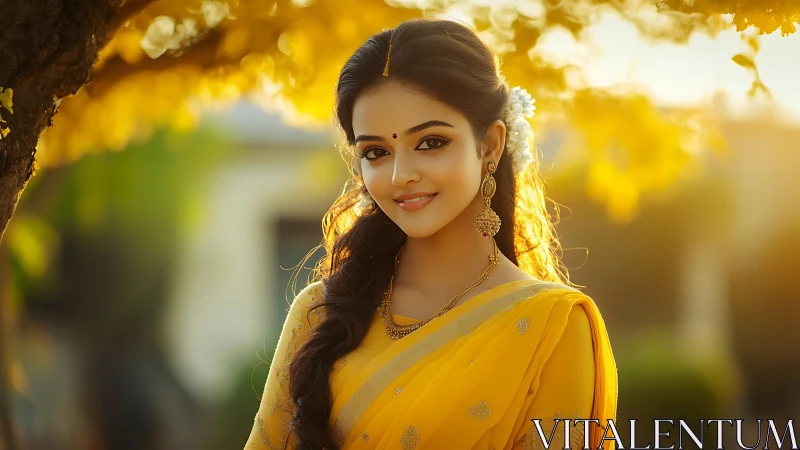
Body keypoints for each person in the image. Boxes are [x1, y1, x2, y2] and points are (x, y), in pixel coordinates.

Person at [243, 17, 617, 450]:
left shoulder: (552, 325)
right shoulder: (320, 313)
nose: (400, 175)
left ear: (490, 145)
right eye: (376, 152)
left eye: (431, 142)